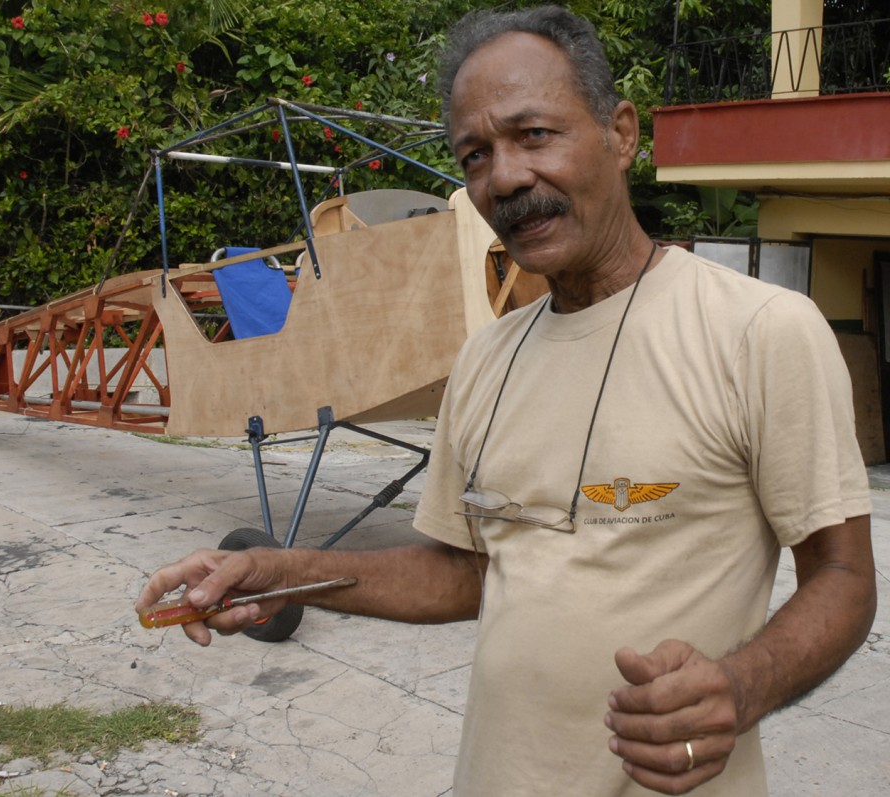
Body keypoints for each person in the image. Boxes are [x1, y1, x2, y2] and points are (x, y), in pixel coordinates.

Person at [137, 5, 876, 795]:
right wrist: (278, 570)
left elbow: (843, 577)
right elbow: (465, 572)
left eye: (535, 135)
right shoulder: (487, 355)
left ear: (621, 133)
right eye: (476, 154)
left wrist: (740, 686)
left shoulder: (759, 332)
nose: (508, 178)